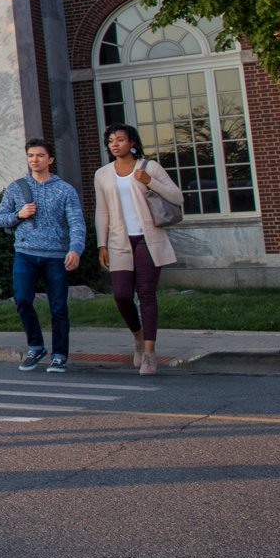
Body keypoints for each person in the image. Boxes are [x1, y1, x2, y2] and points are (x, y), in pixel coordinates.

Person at [91, 122, 184, 376]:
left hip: (148, 238)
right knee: (121, 295)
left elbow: (178, 197)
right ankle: (138, 337)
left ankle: (150, 354)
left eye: (120, 139)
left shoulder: (149, 167)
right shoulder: (102, 174)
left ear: (132, 142)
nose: (115, 144)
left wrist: (151, 181)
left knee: (146, 295)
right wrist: (102, 243)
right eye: (111, 140)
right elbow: (102, 211)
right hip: (119, 240)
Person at [0, 138, 86, 373]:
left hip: (56, 255)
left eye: (40, 156)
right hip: (25, 253)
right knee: (23, 299)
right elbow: (0, 218)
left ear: (50, 160)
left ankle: (59, 355)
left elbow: (76, 222)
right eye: (31, 155)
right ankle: (35, 346)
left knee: (58, 306)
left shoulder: (64, 189)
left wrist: (75, 249)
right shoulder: (17, 187)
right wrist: (19, 214)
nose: (34, 159)